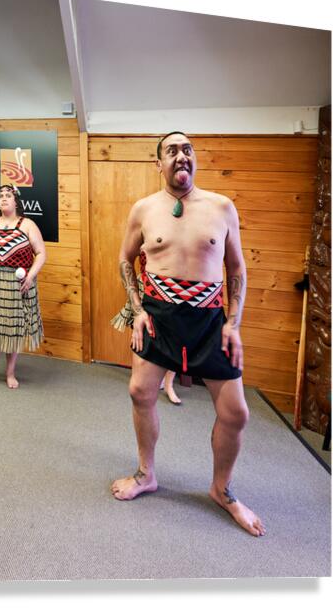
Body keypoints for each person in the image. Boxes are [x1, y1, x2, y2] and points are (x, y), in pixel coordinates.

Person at [110, 131, 265, 537]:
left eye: (187, 149)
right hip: (158, 316)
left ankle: (222, 490)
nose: (181, 155)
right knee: (140, 392)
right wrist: (138, 311)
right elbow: (126, 260)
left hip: (210, 321)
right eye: (171, 150)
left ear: (195, 159)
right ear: (157, 163)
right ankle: (147, 474)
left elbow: (235, 269)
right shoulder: (143, 210)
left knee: (236, 413)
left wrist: (234, 322)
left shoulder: (221, 207)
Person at [0, 184, 46, 388]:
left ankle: (11, 373)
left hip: (18, 284)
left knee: (13, 329)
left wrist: (30, 276)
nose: (4, 198)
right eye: (1, 196)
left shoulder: (27, 225)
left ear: (16, 201)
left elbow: (41, 253)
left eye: (8, 195)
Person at [111, 251, 182, 405]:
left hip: (174, 290)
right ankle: (141, 379)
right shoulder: (144, 231)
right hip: (145, 287)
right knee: (142, 334)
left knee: (174, 337)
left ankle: (169, 385)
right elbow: (126, 259)